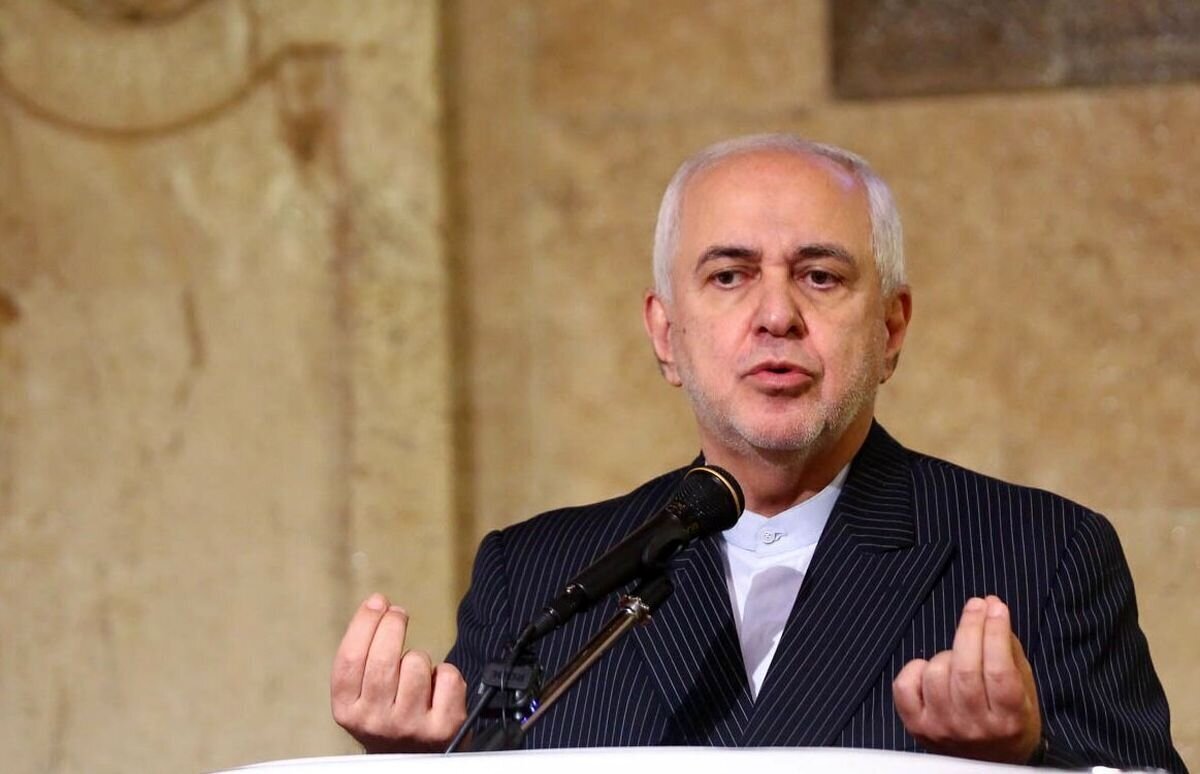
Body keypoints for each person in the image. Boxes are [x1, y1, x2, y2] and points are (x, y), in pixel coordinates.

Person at [329, 134, 1185, 770]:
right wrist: (409, 770)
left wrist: (1021, 765)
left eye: (820, 276)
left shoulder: (1043, 554)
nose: (776, 316)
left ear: (891, 329)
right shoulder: (538, 577)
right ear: (666, 334)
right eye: (729, 275)